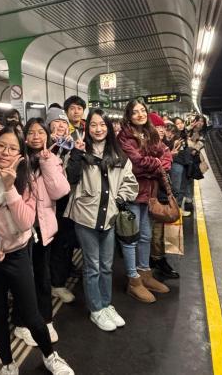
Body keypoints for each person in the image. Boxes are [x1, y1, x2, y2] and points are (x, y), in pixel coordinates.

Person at [0, 126, 74, 375]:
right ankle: (8, 364)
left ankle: (50, 356)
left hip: (17, 253)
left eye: (12, 148)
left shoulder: (26, 177)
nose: (5, 152)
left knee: (31, 311)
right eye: (1, 145)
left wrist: (9, 187)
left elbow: (26, 221)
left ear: (20, 152)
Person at [65, 109, 138, 331]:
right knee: (92, 266)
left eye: (102, 125)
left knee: (106, 266)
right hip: (85, 216)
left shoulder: (118, 155)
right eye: (94, 125)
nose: (98, 129)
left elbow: (129, 181)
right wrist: (76, 154)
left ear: (109, 128)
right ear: (87, 128)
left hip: (109, 216)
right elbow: (70, 178)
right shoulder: (80, 150)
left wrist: (120, 199)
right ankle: (96, 309)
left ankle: (106, 305)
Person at [12, 118, 70, 346]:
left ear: (47, 135)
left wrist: (46, 162)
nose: (36, 136)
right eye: (31, 132)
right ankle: (21, 324)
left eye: (40, 132)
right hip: (20, 230)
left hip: (42, 229)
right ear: (24, 136)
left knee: (42, 277)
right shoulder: (18, 159)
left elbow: (60, 192)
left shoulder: (53, 160)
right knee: (23, 280)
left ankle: (45, 320)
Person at [117, 99, 172, 303]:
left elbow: (166, 154)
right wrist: (156, 164)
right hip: (132, 192)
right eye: (135, 112)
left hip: (149, 193)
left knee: (146, 235)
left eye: (143, 110)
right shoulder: (124, 136)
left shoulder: (150, 133)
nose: (140, 114)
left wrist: (156, 164)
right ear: (128, 116)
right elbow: (135, 164)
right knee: (131, 237)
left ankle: (145, 274)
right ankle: (133, 280)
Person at [45, 106, 77, 304]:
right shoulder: (45, 145)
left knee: (64, 243)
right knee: (50, 245)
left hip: (67, 201)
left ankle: (58, 282)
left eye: (64, 123)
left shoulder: (71, 145)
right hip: (47, 204)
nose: (60, 126)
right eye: (56, 122)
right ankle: (51, 283)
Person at [148, 118, 180, 280]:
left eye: (162, 127)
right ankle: (156, 262)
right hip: (153, 196)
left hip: (162, 194)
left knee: (162, 232)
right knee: (156, 233)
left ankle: (158, 260)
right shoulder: (148, 148)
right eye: (156, 127)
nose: (161, 129)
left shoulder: (163, 146)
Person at [183, 115, 209, 213]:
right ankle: (183, 199)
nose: (200, 123)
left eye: (202, 121)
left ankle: (189, 200)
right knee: (183, 178)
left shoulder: (203, 132)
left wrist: (194, 149)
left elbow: (201, 143)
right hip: (183, 156)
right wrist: (190, 126)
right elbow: (181, 133)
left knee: (190, 177)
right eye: (198, 121)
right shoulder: (188, 130)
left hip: (193, 158)